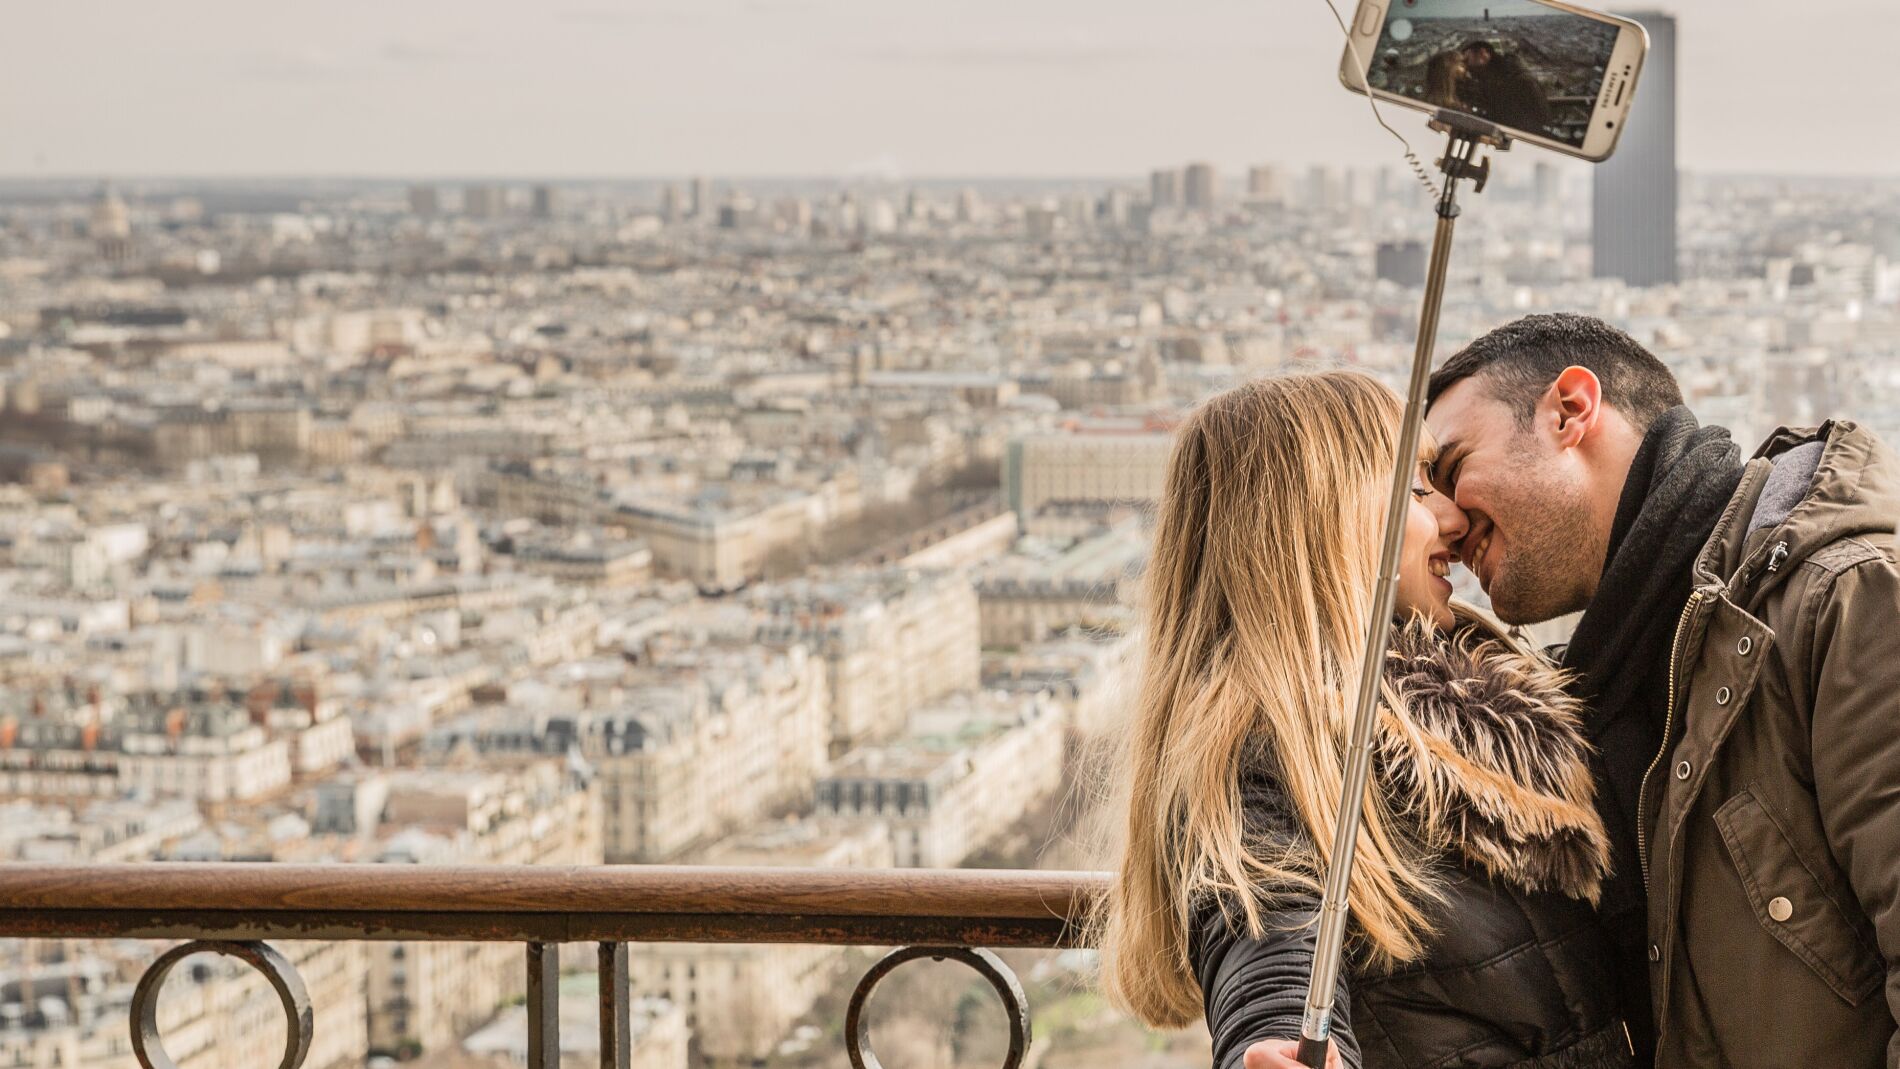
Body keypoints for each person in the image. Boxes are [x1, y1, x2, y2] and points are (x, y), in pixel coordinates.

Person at [1094, 372, 1634, 1069]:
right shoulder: (1269, 759)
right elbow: (1266, 935)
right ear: (1320, 524)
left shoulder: (1481, 701)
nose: (1453, 516)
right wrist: (1275, 1040)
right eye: (1414, 490)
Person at [1424, 313, 1900, 1066]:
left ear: (1570, 409)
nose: (1443, 522)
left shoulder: (1840, 599)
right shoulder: (1622, 682)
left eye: (1452, 469)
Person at [1457, 40, 1551, 134]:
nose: (1466, 64)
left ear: (1482, 53)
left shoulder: (1519, 80)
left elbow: (1539, 117)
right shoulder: (1493, 80)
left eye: (1467, 59)